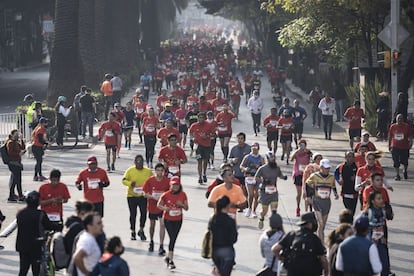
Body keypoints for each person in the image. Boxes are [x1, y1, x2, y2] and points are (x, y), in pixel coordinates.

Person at [16, 191, 63, 276]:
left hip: (22, 245)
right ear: (37, 202)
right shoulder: (40, 214)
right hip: (36, 245)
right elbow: (49, 225)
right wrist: (60, 226)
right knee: (36, 269)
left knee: (23, 269)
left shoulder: (20, 213)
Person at [157, 176, 189, 270]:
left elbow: (187, 208)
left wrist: (181, 205)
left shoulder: (183, 194)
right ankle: (170, 261)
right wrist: (165, 208)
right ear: (170, 185)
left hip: (178, 219)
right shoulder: (165, 194)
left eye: (177, 185)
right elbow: (159, 205)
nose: (175, 187)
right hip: (168, 219)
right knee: (172, 238)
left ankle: (168, 257)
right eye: (173, 185)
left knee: (174, 238)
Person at [305, 159, 339, 243]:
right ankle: (321, 243)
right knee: (320, 223)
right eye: (325, 168)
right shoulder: (314, 176)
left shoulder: (331, 177)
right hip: (317, 201)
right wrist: (309, 196)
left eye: (328, 168)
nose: (326, 170)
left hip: (326, 202)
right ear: (320, 167)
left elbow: (333, 186)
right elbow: (307, 184)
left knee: (323, 225)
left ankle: (317, 238)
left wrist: (335, 194)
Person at [122, 154, 153, 241]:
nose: (139, 163)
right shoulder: (130, 170)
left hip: (143, 196)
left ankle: (141, 230)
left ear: (143, 162)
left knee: (143, 213)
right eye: (137, 161)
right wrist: (130, 184)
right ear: (134, 162)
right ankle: (133, 231)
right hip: (132, 196)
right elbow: (124, 180)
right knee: (133, 214)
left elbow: (152, 181)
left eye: (141, 161)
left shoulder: (148, 171)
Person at [363, 190, 394, 276]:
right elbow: (362, 227)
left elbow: (382, 225)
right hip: (370, 243)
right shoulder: (368, 212)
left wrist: (383, 237)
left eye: (381, 198)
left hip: (380, 242)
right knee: (370, 266)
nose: (381, 200)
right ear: (373, 201)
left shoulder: (382, 211)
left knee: (384, 263)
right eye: (379, 199)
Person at [142, 163, 170, 254]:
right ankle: (151, 241)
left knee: (162, 225)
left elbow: (170, 193)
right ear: (155, 171)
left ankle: (161, 245)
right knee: (152, 225)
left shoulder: (167, 181)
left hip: (162, 207)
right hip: (152, 206)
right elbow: (144, 193)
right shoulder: (150, 180)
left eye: (161, 171)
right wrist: (152, 197)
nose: (160, 172)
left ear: (164, 172)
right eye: (158, 170)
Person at [256, 152, 287, 229]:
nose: (273, 159)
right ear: (267, 159)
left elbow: (280, 175)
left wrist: (284, 177)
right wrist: (263, 181)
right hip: (264, 192)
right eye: (271, 157)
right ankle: (261, 218)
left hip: (273, 192)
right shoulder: (262, 168)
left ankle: (273, 226)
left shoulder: (277, 168)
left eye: (274, 157)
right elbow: (256, 177)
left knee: (274, 211)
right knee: (264, 211)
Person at [209, 195, 238, 276]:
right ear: (228, 206)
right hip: (227, 250)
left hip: (214, 250)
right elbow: (234, 238)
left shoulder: (213, 219)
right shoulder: (230, 221)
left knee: (219, 271)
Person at [240, 142, 265, 218]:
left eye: (256, 148)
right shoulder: (247, 157)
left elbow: (264, 167)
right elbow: (241, 166)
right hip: (249, 177)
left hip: (257, 178)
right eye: (253, 148)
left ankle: (254, 211)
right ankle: (249, 208)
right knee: (250, 194)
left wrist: (260, 167)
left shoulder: (261, 158)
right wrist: (245, 169)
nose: (254, 150)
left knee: (256, 195)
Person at [189, 112, 215, 184]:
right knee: (199, 161)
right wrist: (192, 138)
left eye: (202, 118)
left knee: (205, 161)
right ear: (197, 118)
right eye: (199, 118)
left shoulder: (209, 125)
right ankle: (200, 176)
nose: (201, 119)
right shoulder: (194, 125)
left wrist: (206, 136)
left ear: (205, 118)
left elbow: (213, 134)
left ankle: (204, 173)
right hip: (198, 146)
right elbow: (190, 133)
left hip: (207, 145)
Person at [290, 139, 312, 217]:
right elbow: (291, 159)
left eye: (303, 145)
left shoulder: (308, 152)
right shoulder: (296, 153)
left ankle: (310, 209)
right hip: (298, 174)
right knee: (299, 193)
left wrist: (307, 151)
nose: (302, 146)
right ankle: (298, 208)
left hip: (307, 174)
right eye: (300, 145)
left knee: (307, 193)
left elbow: (313, 158)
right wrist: (297, 151)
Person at [228, 132, 251, 206]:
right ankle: (239, 203)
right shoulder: (234, 149)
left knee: (245, 189)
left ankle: (246, 202)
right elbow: (229, 159)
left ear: (244, 139)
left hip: (246, 173)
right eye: (239, 138)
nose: (240, 140)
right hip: (236, 172)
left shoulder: (249, 148)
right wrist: (233, 160)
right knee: (237, 189)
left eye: (242, 139)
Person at [388, 113, 413, 180]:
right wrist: (389, 145)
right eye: (398, 118)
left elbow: (410, 136)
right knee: (396, 161)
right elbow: (390, 136)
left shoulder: (406, 126)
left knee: (405, 160)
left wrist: (411, 143)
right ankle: (397, 174)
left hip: (404, 146)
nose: (399, 120)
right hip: (395, 146)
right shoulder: (393, 126)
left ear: (403, 119)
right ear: (396, 119)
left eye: (401, 118)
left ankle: (405, 170)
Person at [334, 151, 358, 215]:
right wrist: (338, 180)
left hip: (354, 192)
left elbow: (361, 177)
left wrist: (356, 178)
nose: (350, 158)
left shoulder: (357, 167)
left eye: (352, 157)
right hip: (345, 192)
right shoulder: (341, 167)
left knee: (352, 210)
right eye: (348, 157)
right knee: (348, 210)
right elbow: (336, 174)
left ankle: (350, 222)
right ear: (345, 157)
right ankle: (349, 222)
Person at [6, 129, 26, 202]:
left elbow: (23, 147)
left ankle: (13, 195)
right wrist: (18, 154)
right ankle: (16, 195)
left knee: (16, 180)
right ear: (12, 135)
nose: (17, 135)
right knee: (16, 180)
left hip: (17, 163)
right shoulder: (10, 143)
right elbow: (10, 153)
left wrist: (22, 139)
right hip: (13, 163)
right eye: (16, 134)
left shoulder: (16, 142)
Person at [31, 117, 49, 181]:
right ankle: (36, 176)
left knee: (39, 162)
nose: (46, 124)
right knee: (39, 162)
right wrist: (46, 143)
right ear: (41, 123)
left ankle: (39, 175)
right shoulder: (40, 130)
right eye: (45, 122)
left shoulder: (41, 129)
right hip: (36, 147)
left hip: (38, 147)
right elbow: (40, 140)